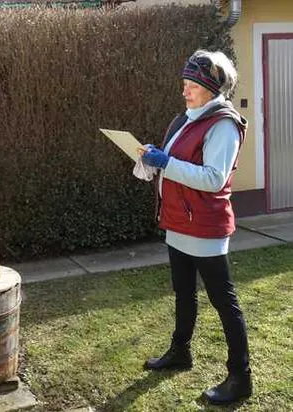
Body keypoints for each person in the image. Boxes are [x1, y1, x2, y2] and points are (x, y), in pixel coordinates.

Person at [140, 50, 251, 405]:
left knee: (224, 302)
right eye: (184, 84)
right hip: (178, 222)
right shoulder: (186, 119)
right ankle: (180, 352)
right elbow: (175, 163)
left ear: (211, 88)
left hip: (204, 227)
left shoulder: (223, 125)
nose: (184, 91)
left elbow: (214, 179)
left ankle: (240, 378)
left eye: (192, 85)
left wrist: (165, 162)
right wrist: (154, 157)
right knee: (183, 292)